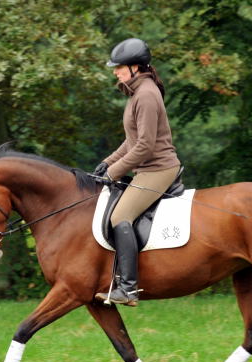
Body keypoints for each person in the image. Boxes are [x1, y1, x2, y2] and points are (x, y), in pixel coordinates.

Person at [93, 38, 182, 307]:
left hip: (159, 169)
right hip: (146, 167)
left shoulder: (145, 94)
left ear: (135, 67)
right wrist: (107, 164)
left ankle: (128, 289)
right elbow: (131, 142)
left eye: (119, 67)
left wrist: (114, 173)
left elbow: (144, 146)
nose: (115, 72)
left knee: (120, 216)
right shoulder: (137, 93)